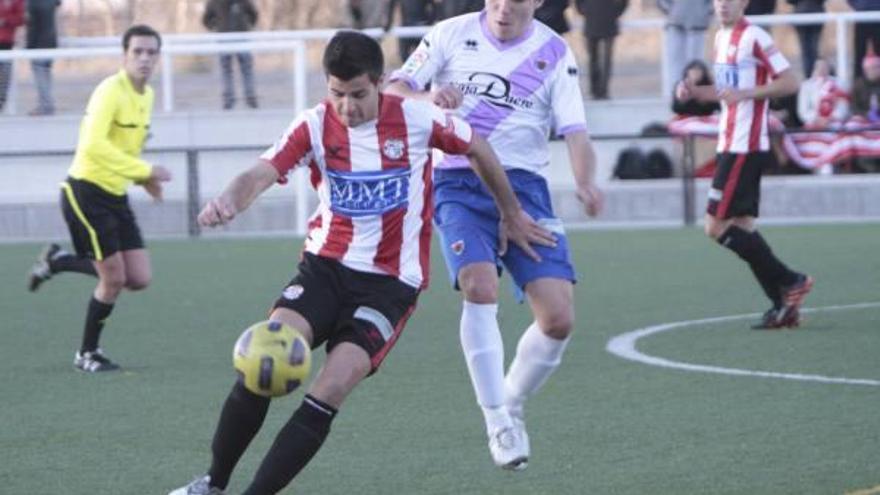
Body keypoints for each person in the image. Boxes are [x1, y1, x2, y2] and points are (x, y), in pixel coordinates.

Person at [168, 31, 551, 495]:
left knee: (330, 386)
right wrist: (230, 201)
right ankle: (213, 483)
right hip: (324, 269)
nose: (346, 107)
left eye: (358, 95)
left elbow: (479, 148)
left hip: (389, 287)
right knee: (262, 361)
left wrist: (511, 213)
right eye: (336, 94)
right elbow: (261, 172)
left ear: (381, 83)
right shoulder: (313, 124)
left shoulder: (415, 118)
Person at [386, 0, 604, 470]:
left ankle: (511, 399)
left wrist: (586, 181)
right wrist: (430, 99)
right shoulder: (449, 34)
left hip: (525, 189)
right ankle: (496, 420)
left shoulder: (554, 51)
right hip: (456, 181)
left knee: (559, 319)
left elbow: (576, 131)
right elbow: (394, 89)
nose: (504, 8)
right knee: (479, 286)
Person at [27, 24, 172, 371]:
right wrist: (145, 169)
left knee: (138, 277)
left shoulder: (147, 96)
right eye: (137, 51)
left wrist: (142, 178)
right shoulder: (109, 91)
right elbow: (93, 145)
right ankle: (86, 354)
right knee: (114, 279)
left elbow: (127, 147)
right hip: (85, 192)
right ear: (124, 56)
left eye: (151, 52)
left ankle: (58, 261)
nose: (144, 58)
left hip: (116, 194)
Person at [677, 0, 814, 329]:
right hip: (729, 142)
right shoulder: (722, 38)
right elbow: (729, 93)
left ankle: (791, 280)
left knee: (715, 226)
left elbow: (791, 82)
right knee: (744, 227)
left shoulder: (755, 37)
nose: (723, 4)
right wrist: (696, 92)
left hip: (745, 145)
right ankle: (783, 305)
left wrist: (749, 93)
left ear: (744, 2)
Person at [202, 0, 259, 110]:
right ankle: (237, 98)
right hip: (227, 38)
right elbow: (206, 19)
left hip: (239, 37)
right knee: (232, 69)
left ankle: (246, 98)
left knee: (238, 69)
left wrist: (215, 26)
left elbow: (253, 14)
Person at [658, 0, 714, 99]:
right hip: (675, 23)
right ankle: (673, 94)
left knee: (696, 63)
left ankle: (695, 94)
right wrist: (672, 11)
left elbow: (714, 3)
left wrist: (704, 12)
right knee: (674, 61)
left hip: (698, 23)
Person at [575, 0, 629, 99]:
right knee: (593, 58)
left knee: (605, 59)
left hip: (607, 19)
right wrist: (584, 10)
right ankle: (595, 90)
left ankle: (603, 90)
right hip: (593, 19)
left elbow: (624, 2)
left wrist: (616, 12)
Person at [26, 0, 60, 115]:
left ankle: (46, 105)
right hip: (51, 41)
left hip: (38, 43)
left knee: (40, 74)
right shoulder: (51, 3)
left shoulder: (32, 4)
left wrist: (29, 45)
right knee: (46, 73)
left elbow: (33, 25)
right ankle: (46, 104)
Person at [796, 58, 848, 128]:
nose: (822, 70)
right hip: (813, 123)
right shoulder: (806, 86)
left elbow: (843, 108)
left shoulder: (839, 84)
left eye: (824, 67)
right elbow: (803, 112)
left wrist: (830, 118)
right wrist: (818, 118)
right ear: (814, 69)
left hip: (835, 123)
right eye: (819, 68)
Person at [787, 0, 826, 78]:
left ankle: (811, 77)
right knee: (812, 48)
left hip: (802, 12)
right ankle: (813, 77)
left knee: (807, 50)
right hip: (815, 12)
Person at [0, 0, 24, 112]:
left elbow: (21, 19)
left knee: (5, 74)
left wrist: (5, 21)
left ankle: (1, 102)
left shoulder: (18, 2)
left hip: (6, 42)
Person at [848, 0, 880, 80]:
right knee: (859, 53)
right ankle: (857, 83)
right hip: (861, 16)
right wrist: (859, 6)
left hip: (878, 17)